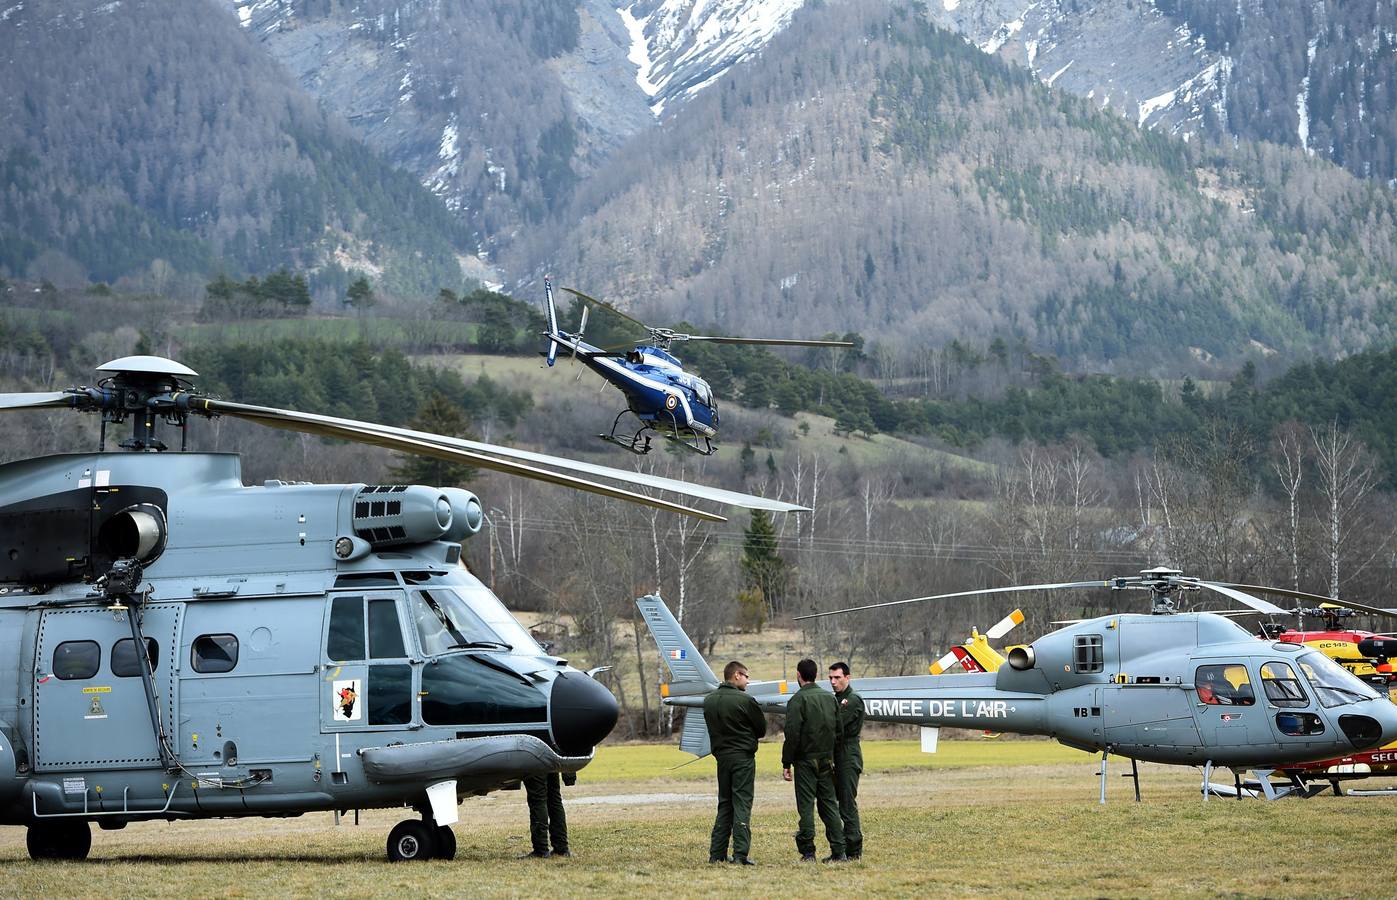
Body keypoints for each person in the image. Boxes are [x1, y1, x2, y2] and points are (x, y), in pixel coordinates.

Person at [703, 659, 767, 865]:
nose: (748, 681)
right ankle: (740, 854)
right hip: (742, 759)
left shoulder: (710, 700)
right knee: (742, 803)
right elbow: (761, 730)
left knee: (725, 804)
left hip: (722, 759)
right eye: (746, 676)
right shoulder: (745, 701)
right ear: (737, 675)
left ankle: (717, 853)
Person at [782, 658, 846, 862]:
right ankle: (839, 851)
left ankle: (808, 851)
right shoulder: (830, 699)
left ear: (799, 675)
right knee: (829, 806)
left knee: (806, 807)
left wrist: (786, 762)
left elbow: (792, 735)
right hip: (827, 761)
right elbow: (839, 732)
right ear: (816, 675)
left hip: (805, 762)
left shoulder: (797, 701)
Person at [829, 661, 864, 860]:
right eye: (831, 678)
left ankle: (853, 849)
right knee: (837, 802)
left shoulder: (852, 700)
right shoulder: (837, 699)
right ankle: (841, 849)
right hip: (838, 754)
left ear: (847, 678)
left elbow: (836, 726)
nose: (833, 682)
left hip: (847, 754)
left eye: (837, 678)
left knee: (847, 803)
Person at [522, 770, 574, 858]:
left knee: (538, 800)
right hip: (551, 762)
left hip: (535, 762)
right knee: (554, 800)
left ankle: (541, 850)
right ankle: (561, 848)